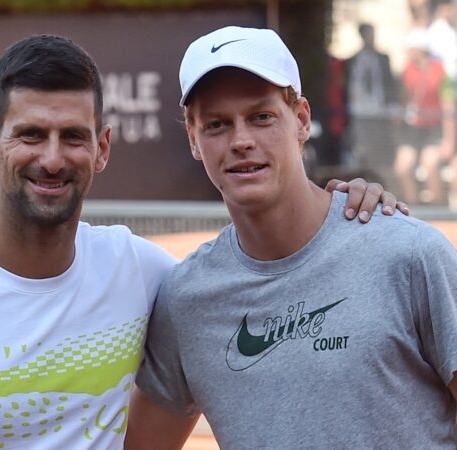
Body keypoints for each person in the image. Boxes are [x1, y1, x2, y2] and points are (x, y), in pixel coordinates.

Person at [0, 34, 404, 450]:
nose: (51, 158)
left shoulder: (151, 278)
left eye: (72, 136)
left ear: (102, 148)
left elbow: (268, 278)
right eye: (30, 134)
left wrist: (347, 214)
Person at [126, 26, 457, 449]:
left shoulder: (409, 254)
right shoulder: (185, 299)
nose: (241, 140)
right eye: (217, 125)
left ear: (301, 120)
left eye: (261, 117)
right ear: (193, 137)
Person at [394, 27, 455, 204]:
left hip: (433, 129)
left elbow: (448, 107)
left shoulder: (440, 72)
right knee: (403, 166)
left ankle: (439, 208)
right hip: (413, 129)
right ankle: (413, 208)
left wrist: (449, 141)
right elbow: (404, 99)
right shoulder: (408, 71)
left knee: (430, 164)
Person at [344, 23, 398, 174]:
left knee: (380, 147)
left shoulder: (382, 58)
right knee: (362, 147)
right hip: (361, 112)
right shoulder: (354, 60)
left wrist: (392, 107)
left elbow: (389, 83)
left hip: (380, 111)